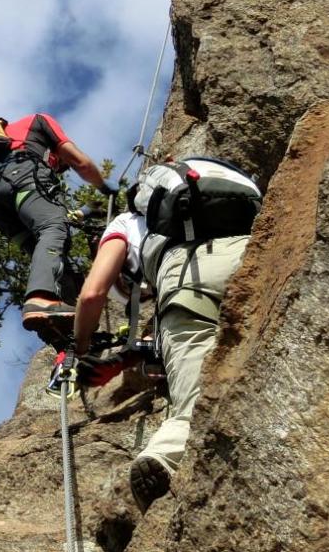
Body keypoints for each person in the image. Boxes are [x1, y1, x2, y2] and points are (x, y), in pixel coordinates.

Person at [72, 161, 256, 507]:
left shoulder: (122, 224)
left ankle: (165, 456)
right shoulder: (189, 198)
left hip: (186, 274)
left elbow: (92, 294)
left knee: (189, 400)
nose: (141, 297)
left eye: (132, 292)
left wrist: (77, 349)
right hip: (249, 245)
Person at [0, 113, 116, 336]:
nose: (59, 169)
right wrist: (103, 185)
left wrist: (86, 210)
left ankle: (65, 331)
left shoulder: (1, 146)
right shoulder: (37, 121)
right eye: (61, 166)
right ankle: (41, 299)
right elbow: (79, 162)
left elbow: (61, 218)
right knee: (54, 230)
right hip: (21, 175)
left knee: (52, 253)